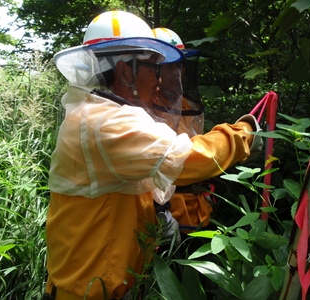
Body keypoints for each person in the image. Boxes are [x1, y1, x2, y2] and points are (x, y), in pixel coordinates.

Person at [44, 10, 262, 300]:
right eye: (154, 69)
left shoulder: (99, 113)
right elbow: (186, 159)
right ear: (124, 70)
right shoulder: (105, 123)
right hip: (89, 292)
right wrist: (244, 133)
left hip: (101, 286)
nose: (161, 81)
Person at [152, 27, 215, 234]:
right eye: (170, 67)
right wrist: (160, 211)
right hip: (167, 212)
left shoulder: (188, 104)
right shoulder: (145, 106)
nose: (176, 73)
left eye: (180, 66)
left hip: (199, 207)